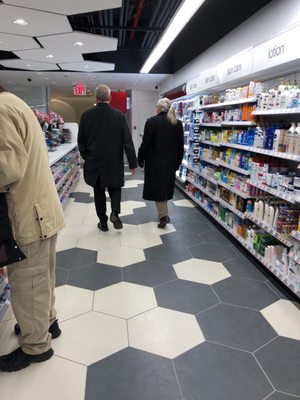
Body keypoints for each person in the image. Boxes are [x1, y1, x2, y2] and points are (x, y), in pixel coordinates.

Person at [0, 85, 65, 372]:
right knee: (43, 276)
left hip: (28, 213)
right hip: (42, 210)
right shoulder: (15, 102)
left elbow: (7, 169)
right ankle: (48, 323)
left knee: (29, 283)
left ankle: (36, 346)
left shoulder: (1, 109)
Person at [78, 84, 137, 231]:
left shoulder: (86, 116)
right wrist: (132, 162)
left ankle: (103, 222)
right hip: (114, 161)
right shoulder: (119, 115)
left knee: (99, 192)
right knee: (115, 188)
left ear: (96, 98)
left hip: (95, 161)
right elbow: (127, 140)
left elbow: (81, 141)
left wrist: (87, 156)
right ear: (110, 98)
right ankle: (115, 213)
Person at [138, 98, 184, 228]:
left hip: (155, 163)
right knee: (164, 189)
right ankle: (163, 214)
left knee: (159, 189)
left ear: (159, 108)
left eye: (156, 107)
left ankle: (163, 216)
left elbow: (146, 144)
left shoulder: (152, 122)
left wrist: (140, 158)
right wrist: (178, 162)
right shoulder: (177, 123)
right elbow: (180, 146)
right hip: (170, 163)